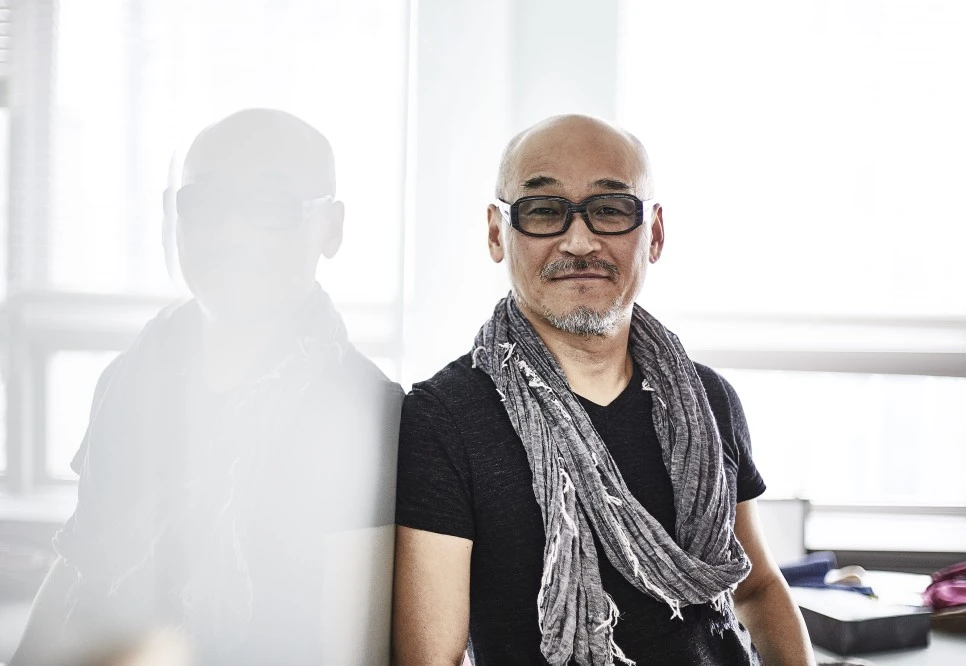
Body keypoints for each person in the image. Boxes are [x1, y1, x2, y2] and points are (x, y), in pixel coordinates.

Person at [393, 115, 815, 665]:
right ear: (497, 233)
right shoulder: (443, 419)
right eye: (543, 210)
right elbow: (430, 659)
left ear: (654, 233)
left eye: (611, 209)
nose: (579, 241)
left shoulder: (710, 400)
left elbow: (755, 589)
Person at [12, 109, 401, 666]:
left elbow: (356, 649)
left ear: (332, 228)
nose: (232, 232)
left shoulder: (365, 412)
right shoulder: (131, 377)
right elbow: (81, 561)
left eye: (270, 205)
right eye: (206, 201)